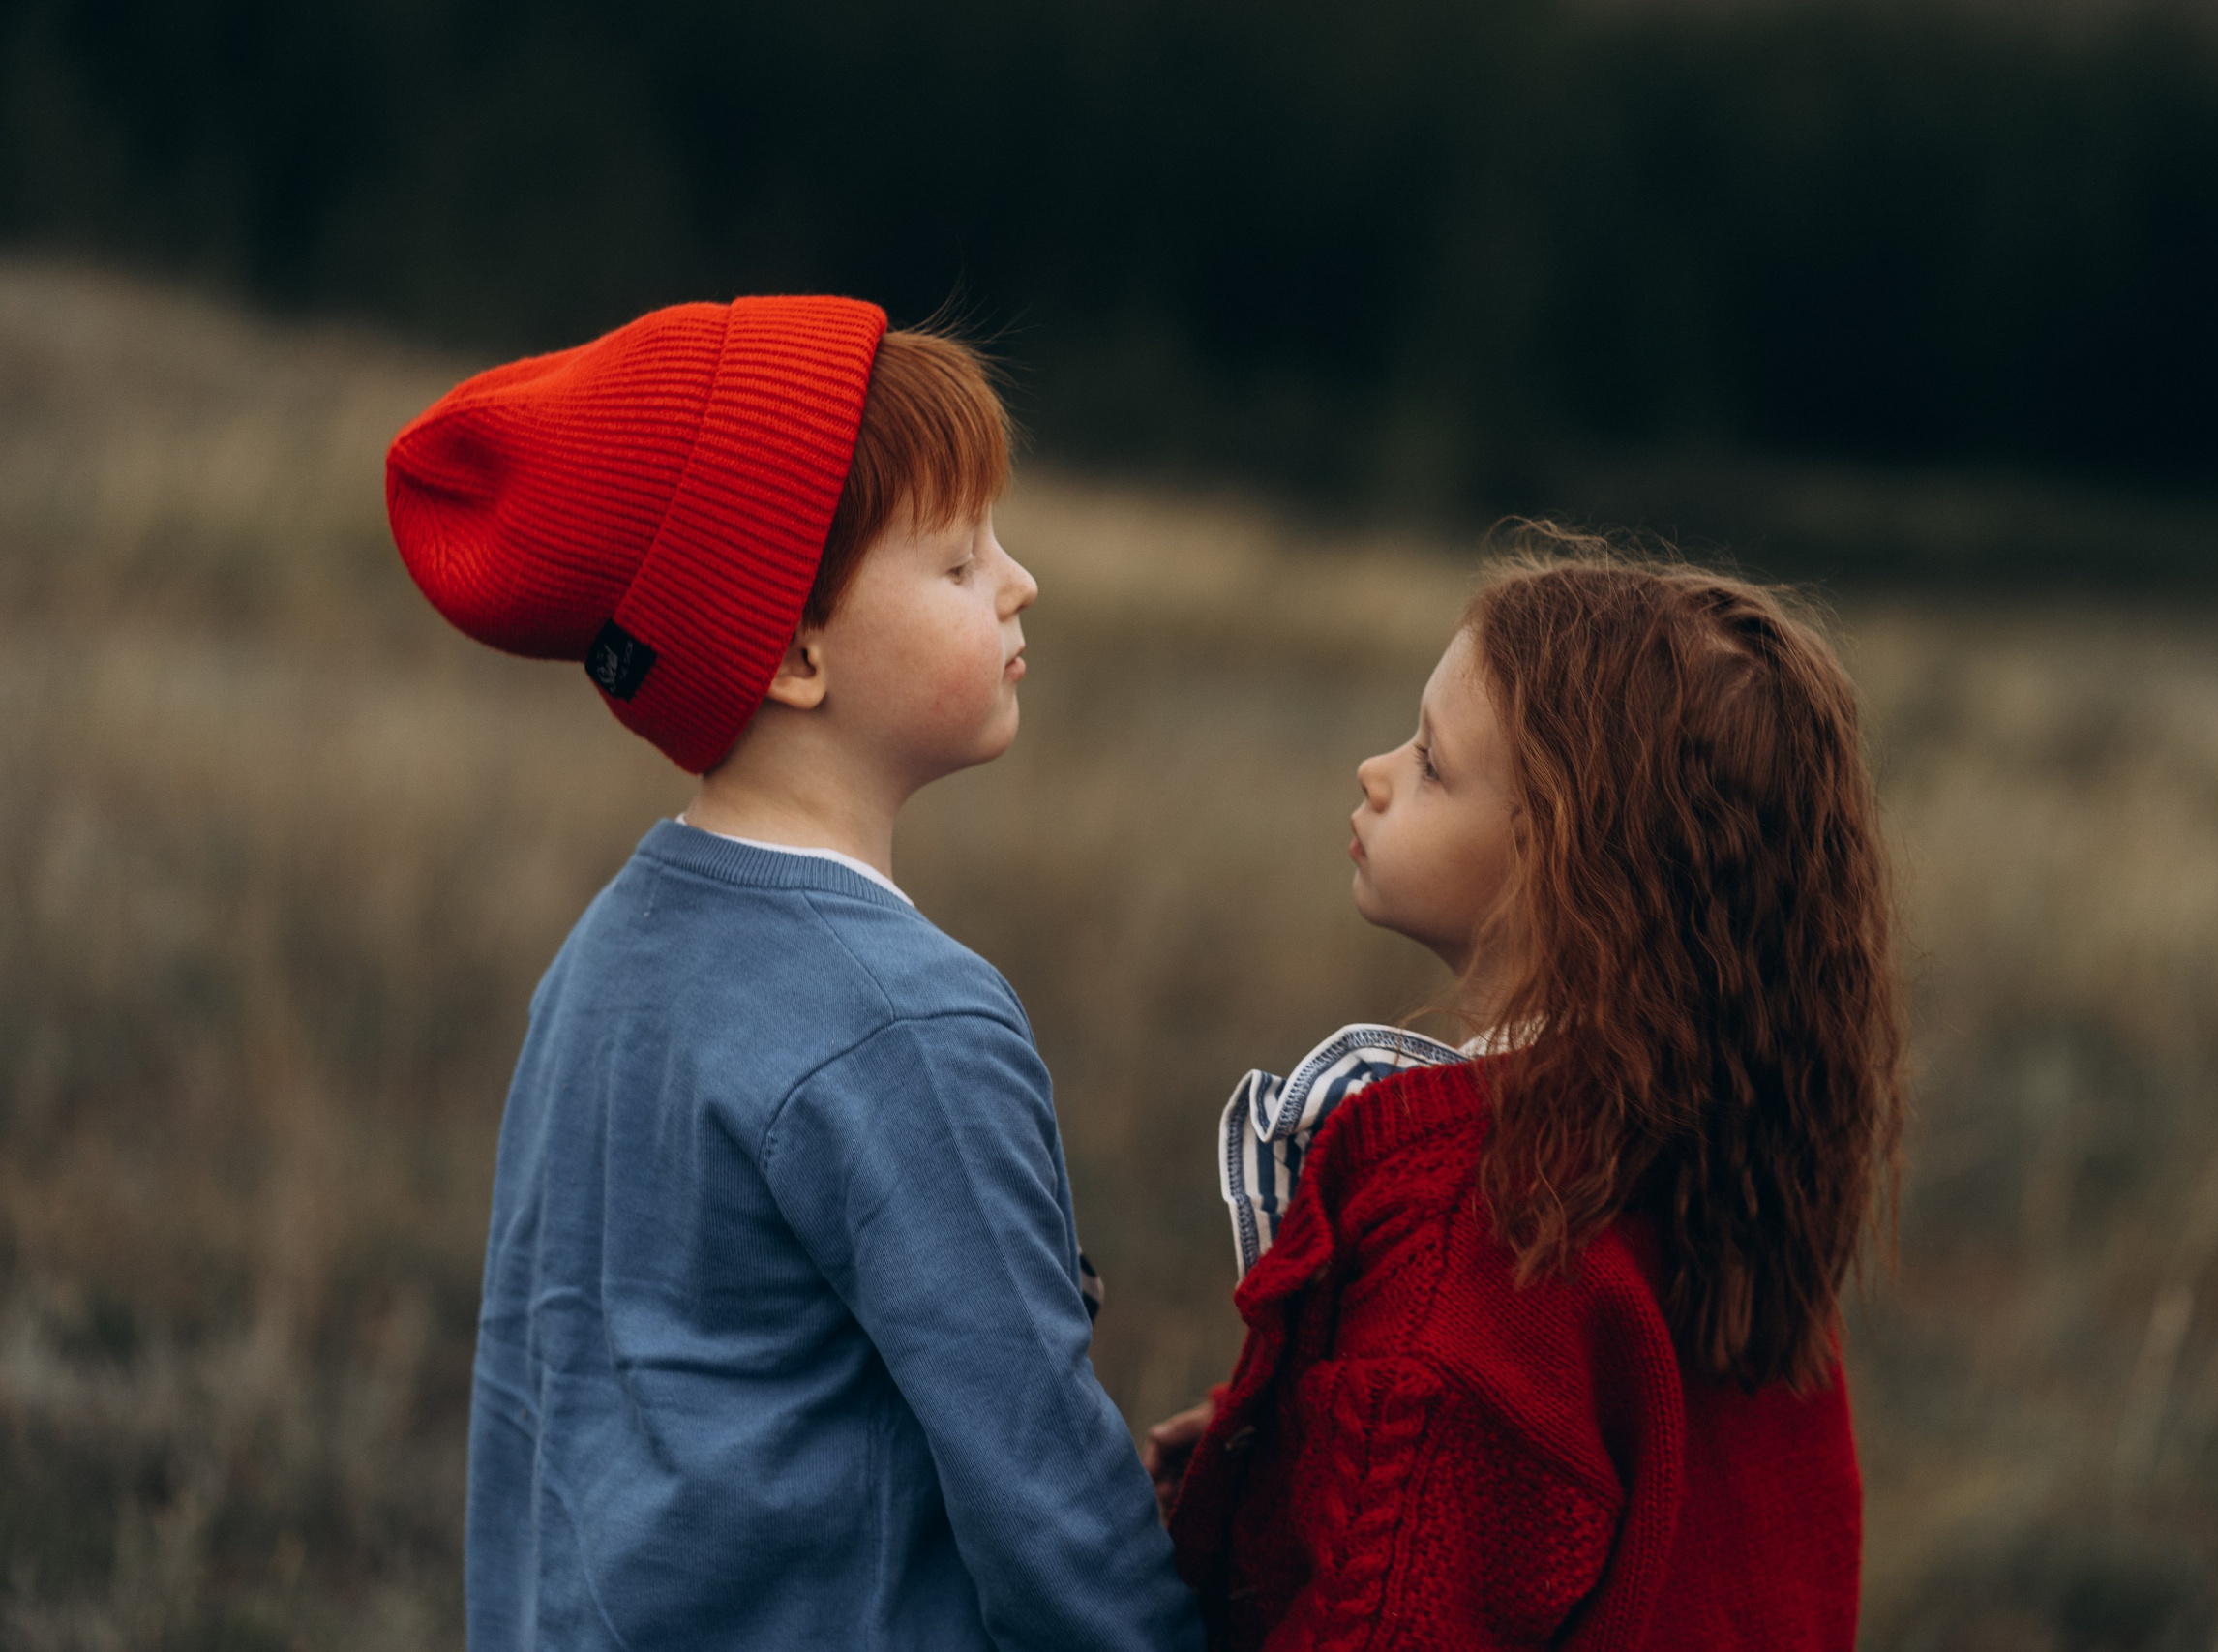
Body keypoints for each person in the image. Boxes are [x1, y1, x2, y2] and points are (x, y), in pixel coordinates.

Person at [385, 297, 1201, 1652]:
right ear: (791, 651)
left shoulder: (605, 951)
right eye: (956, 559)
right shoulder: (908, 1020)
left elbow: (548, 1400)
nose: (1018, 580)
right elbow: (1047, 1500)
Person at [1146, 544, 1904, 1650]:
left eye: (1431, 763)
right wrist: (1285, 1452)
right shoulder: (1715, 1150)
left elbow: (1400, 1599)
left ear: (1570, 865)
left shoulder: (1478, 1236)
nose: (1374, 771)